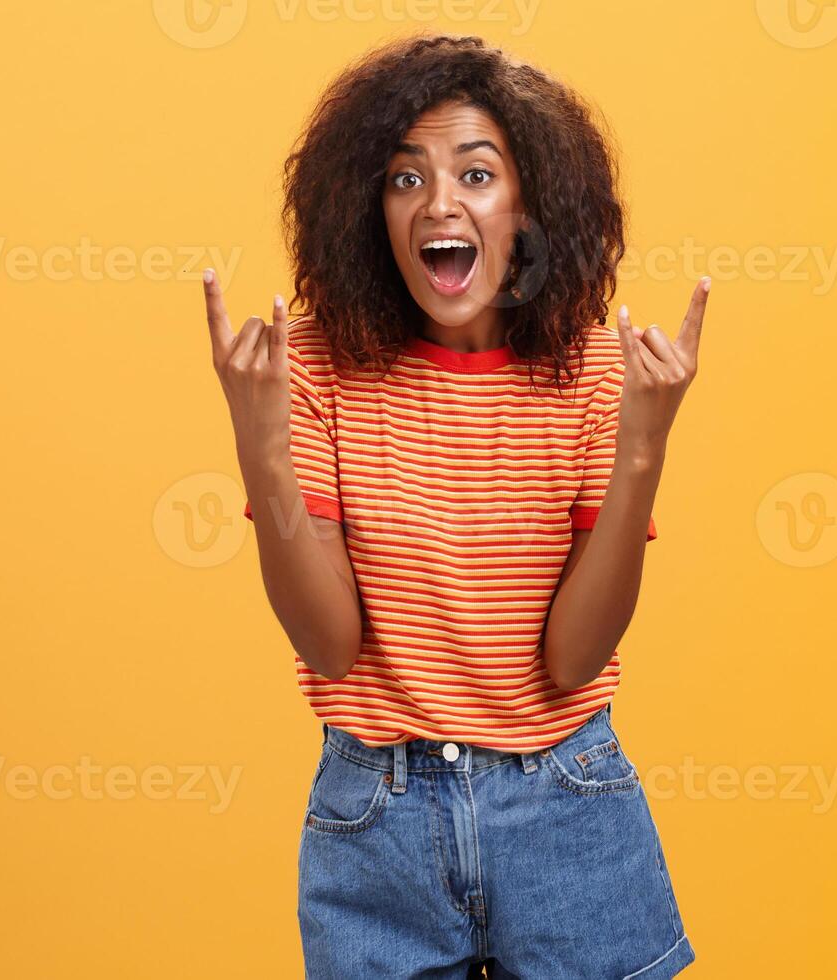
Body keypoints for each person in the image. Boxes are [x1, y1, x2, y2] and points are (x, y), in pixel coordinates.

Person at [199, 34, 706, 978]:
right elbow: (331, 646)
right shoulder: (310, 366)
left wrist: (644, 446)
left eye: (476, 174)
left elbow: (573, 660)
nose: (438, 204)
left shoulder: (601, 376)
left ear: (530, 207)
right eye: (403, 180)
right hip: (376, 819)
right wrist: (260, 450)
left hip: (565, 803)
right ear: (367, 211)